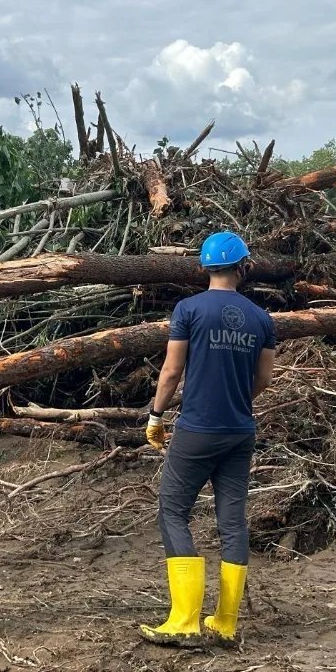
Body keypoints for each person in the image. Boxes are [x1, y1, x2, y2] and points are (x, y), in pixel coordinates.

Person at [140, 231, 276, 646]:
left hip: (197, 430)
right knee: (232, 522)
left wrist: (156, 415)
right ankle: (225, 622)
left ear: (204, 268)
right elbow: (264, 380)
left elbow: (170, 371)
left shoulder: (189, 309)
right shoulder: (261, 319)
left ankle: (184, 620)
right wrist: (236, 399)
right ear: (243, 267)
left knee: (173, 512)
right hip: (240, 431)